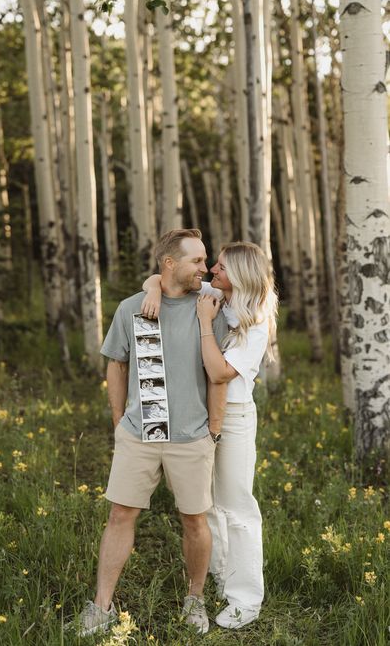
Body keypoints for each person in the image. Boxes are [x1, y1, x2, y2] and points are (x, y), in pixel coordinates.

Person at [71, 229, 228, 637]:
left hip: (192, 436)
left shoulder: (211, 306)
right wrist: (118, 419)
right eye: (197, 261)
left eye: (207, 260)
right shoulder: (131, 309)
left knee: (194, 520)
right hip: (140, 433)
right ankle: (101, 606)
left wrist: (212, 429)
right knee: (120, 514)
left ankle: (195, 599)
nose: (205, 268)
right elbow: (116, 363)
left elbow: (217, 376)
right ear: (169, 264)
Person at [141, 241, 278, 630]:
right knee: (209, 503)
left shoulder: (256, 318)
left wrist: (203, 323)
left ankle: (245, 598)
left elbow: (219, 373)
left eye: (219, 267)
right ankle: (220, 574)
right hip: (202, 412)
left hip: (233, 416)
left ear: (239, 274)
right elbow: (163, 277)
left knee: (237, 505)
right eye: (212, 266)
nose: (211, 272)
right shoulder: (218, 294)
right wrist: (153, 289)